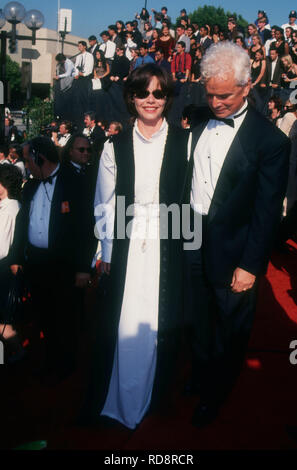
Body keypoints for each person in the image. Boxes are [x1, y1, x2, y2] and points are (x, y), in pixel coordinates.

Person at [184, 41, 290, 428]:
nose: (216, 103)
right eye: (210, 94)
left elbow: (266, 212)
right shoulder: (197, 117)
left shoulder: (271, 141)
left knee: (229, 327)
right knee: (197, 314)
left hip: (235, 249)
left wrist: (250, 265)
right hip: (190, 234)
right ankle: (198, 374)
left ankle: (217, 392)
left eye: (225, 95)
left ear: (247, 86)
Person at [79, 63, 190, 429]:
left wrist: (188, 250)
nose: (150, 100)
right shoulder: (113, 146)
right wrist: (107, 253)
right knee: (125, 327)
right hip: (126, 249)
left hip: (169, 246)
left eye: (158, 93)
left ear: (168, 98)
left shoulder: (184, 141)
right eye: (143, 93)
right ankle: (119, 401)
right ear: (131, 97)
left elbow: (191, 203)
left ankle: (155, 399)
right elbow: (105, 203)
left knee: (161, 326)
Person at [9, 137, 96, 383]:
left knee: (65, 317)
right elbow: (21, 225)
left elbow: (87, 228)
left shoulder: (76, 183)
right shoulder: (31, 187)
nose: (26, 165)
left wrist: (83, 268)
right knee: (44, 315)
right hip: (37, 263)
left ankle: (67, 365)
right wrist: (17, 256)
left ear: (40, 158)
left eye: (28, 159)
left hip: (65, 264)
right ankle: (50, 361)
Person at [0, 164, 23, 360]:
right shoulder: (10, 206)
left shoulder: (9, 209)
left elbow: (2, 248)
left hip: (4, 272)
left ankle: (16, 353)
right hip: (6, 270)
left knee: (2, 324)